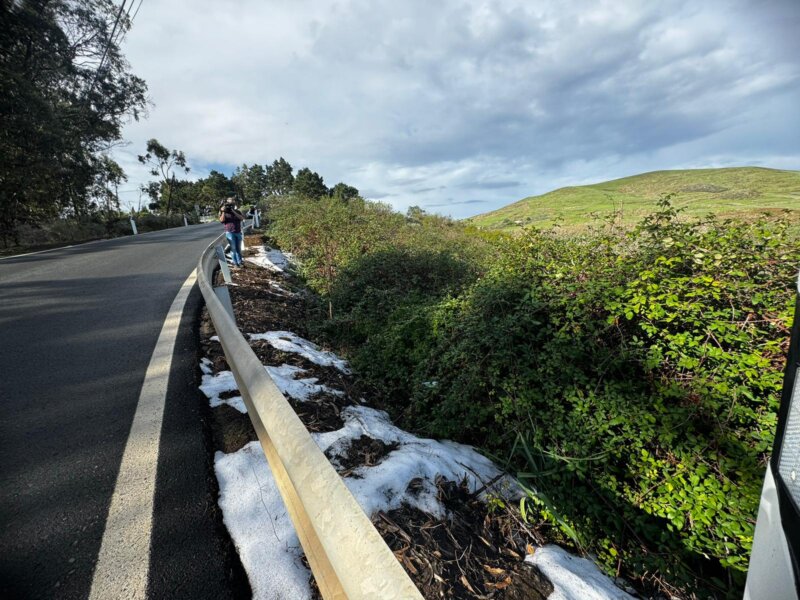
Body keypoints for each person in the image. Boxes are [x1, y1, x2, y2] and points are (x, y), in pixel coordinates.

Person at [219, 197, 245, 268]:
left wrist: (233, 211)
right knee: (233, 248)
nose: (230, 205)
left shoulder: (237, 211)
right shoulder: (224, 212)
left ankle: (240, 262)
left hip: (238, 232)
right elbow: (221, 220)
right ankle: (235, 263)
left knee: (238, 248)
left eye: (232, 202)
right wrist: (223, 211)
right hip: (229, 232)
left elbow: (242, 218)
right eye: (229, 203)